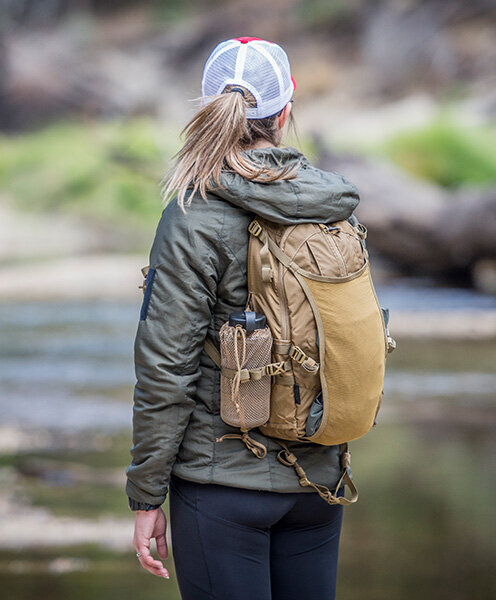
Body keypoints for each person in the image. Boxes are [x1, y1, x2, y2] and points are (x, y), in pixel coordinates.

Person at [125, 37, 360, 600]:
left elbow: (166, 371)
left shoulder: (192, 216)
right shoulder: (329, 205)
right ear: (285, 113)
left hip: (220, 485)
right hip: (318, 484)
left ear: (209, 108)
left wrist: (146, 496)